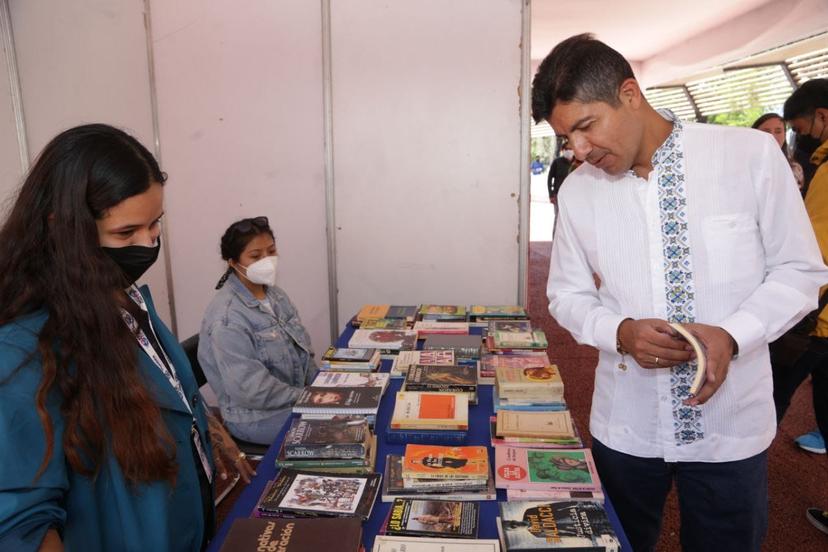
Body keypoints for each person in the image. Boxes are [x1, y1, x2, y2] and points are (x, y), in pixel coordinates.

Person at [532, 34, 828, 552]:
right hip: (627, 423)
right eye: (567, 139)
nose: (579, 150)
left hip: (730, 423)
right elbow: (566, 294)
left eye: (585, 127)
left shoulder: (748, 157)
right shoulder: (580, 191)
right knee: (617, 543)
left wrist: (734, 335)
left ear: (629, 93)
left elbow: (800, 272)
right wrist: (619, 332)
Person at [0, 124, 253, 552]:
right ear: (63, 228)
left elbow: (161, 385)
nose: (148, 244)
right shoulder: (23, 348)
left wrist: (204, 426)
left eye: (155, 225)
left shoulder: (123, 295)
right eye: (126, 233)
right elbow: (23, 521)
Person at [199, 217, 317, 445]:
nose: (267, 261)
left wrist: (324, 389)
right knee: (343, 430)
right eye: (255, 256)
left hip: (295, 401)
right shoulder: (227, 318)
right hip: (257, 419)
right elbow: (252, 390)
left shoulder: (276, 295)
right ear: (233, 262)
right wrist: (310, 397)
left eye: (271, 251)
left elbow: (305, 353)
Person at [782, 78, 828, 535]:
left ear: (822, 116)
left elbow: (811, 251)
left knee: (772, 391)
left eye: (801, 127)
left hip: (818, 319)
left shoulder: (827, 169)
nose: (802, 136)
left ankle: (739, 471)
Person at [752, 113, 805, 190]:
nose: (772, 136)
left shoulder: (794, 169)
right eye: (766, 132)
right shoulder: (744, 167)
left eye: (778, 131)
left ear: (784, 135)